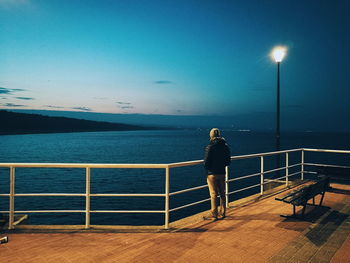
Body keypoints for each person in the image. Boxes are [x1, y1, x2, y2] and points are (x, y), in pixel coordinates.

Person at [204, 128, 231, 220]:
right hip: (222, 172)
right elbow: (228, 162)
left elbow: (206, 162)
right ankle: (223, 213)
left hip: (212, 174)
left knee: (213, 194)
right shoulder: (225, 146)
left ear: (211, 135)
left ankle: (214, 214)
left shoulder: (210, 146)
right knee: (222, 193)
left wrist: (209, 168)